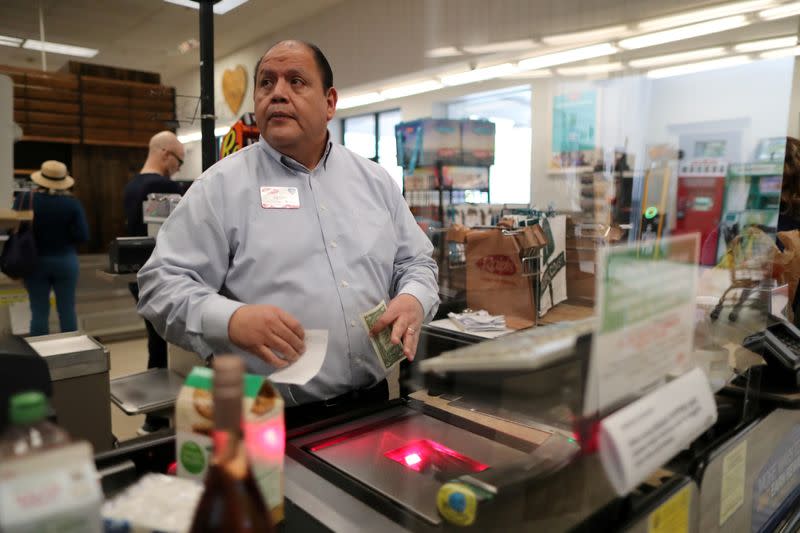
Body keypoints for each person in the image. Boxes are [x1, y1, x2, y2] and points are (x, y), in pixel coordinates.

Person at [137, 40, 439, 427]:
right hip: (263, 416)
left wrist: (413, 299)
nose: (277, 93)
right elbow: (160, 285)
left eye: (296, 81)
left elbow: (415, 261)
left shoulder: (374, 182)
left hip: (372, 405)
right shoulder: (220, 188)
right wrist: (230, 320)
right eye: (266, 83)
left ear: (329, 103)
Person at [123, 131, 184, 435]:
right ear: (164, 153)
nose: (178, 168)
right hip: (161, 277)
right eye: (179, 160)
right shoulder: (164, 186)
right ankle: (157, 419)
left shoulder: (132, 185)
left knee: (155, 342)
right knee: (164, 349)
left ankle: (156, 418)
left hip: (137, 276)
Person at [15, 160, 89, 336]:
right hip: (65, 261)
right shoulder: (72, 204)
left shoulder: (25, 199)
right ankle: (70, 352)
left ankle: (39, 357)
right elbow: (83, 236)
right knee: (67, 310)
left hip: (34, 261)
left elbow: (14, 227)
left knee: (39, 311)